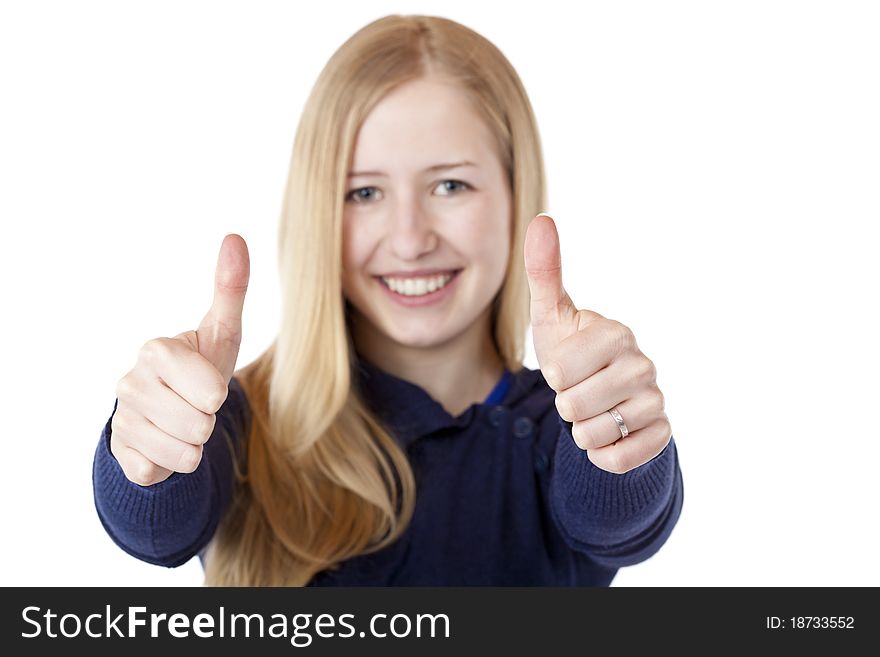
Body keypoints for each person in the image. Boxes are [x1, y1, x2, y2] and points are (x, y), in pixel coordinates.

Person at [92, 14, 684, 586]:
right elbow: (155, 529)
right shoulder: (238, 423)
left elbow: (621, 521)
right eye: (364, 192)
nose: (409, 239)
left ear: (514, 193)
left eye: (450, 185)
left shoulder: (564, 429)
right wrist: (146, 447)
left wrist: (620, 441)